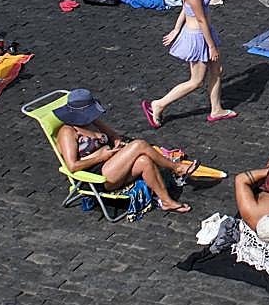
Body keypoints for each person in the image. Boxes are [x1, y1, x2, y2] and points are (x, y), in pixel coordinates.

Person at [55, 88, 193, 213]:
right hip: (97, 176)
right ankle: (176, 167)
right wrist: (101, 157)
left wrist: (117, 145)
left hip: (112, 165)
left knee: (144, 161)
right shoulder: (68, 132)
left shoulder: (92, 121)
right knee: (139, 145)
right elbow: (72, 166)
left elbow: (114, 136)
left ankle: (167, 202)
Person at [143, 0, 236, 126]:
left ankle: (216, 109)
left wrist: (176, 29)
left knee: (217, 71)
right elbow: (200, 19)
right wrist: (211, 46)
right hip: (199, 37)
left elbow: (185, 9)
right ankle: (158, 104)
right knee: (196, 81)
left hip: (206, 33)